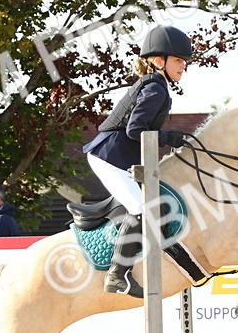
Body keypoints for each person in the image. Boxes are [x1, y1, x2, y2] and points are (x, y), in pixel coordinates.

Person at [82, 25, 193, 295]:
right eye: (178, 60)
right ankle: (117, 274)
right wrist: (168, 136)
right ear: (159, 61)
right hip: (108, 157)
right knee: (140, 209)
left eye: (184, 62)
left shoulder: (157, 86)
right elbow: (135, 130)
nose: (183, 67)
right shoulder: (155, 88)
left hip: (116, 155)